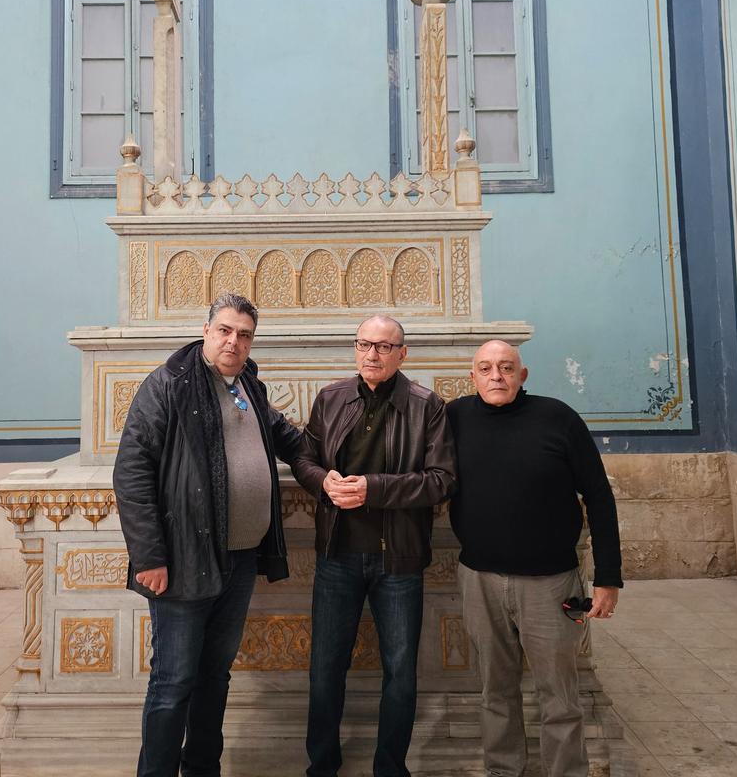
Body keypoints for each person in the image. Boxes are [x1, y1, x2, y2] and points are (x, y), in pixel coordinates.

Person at [114, 293, 303, 777]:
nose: (233, 341)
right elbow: (132, 472)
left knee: (214, 676)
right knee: (173, 681)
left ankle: (202, 769)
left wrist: (340, 468)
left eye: (243, 334)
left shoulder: (249, 386)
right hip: (181, 558)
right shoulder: (168, 385)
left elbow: (289, 440)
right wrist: (149, 556)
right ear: (205, 330)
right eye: (225, 330)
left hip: (239, 561)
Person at [447, 340, 622, 777]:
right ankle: (503, 770)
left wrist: (609, 577)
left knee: (559, 697)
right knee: (495, 692)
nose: (496, 377)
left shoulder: (558, 418)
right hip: (480, 580)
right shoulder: (455, 418)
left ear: (522, 375)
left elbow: (599, 497)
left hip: (550, 583)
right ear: (472, 377)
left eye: (506, 368)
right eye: (485, 368)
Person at [291, 314, 456, 777]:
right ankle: (322, 766)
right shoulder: (332, 398)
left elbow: (441, 481)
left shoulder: (427, 406)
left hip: (398, 559)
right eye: (365, 344)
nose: (372, 354)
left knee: (400, 672)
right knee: (325, 669)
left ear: (402, 354)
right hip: (337, 555)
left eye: (384, 347)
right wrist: (323, 480)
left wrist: (373, 489)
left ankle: (390, 768)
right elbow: (303, 457)